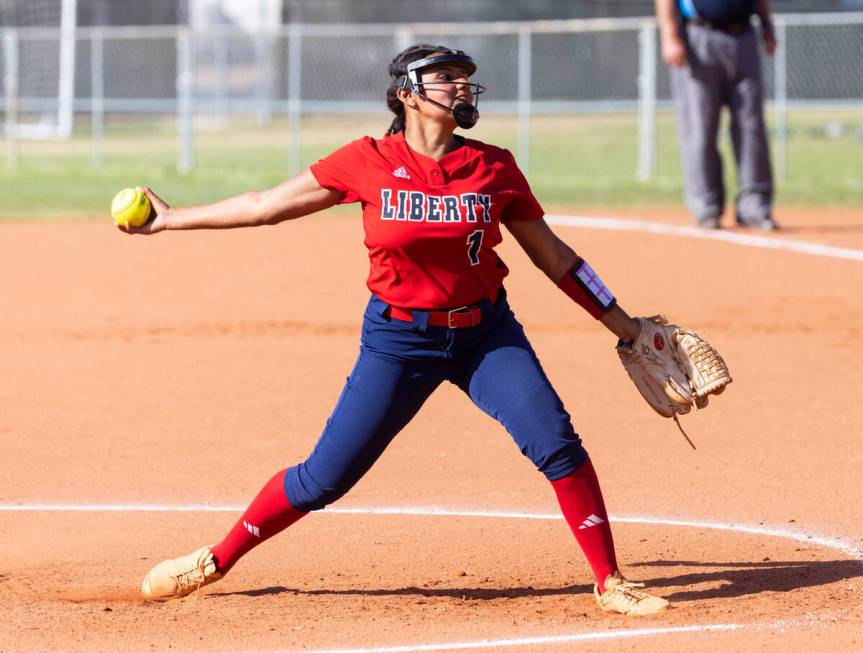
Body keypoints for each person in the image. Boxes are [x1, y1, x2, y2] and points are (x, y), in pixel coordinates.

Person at [121, 44, 669, 616]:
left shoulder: (493, 166)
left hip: (486, 334)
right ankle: (216, 559)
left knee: (557, 442)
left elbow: (557, 258)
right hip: (399, 341)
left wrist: (623, 324)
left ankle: (610, 581)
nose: (461, 86)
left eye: (465, 78)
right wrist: (173, 218)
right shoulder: (367, 160)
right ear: (407, 94)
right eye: (446, 77)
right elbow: (266, 205)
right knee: (322, 481)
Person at [656, 0, 778, 230]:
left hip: (744, 36)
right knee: (700, 128)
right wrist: (670, 35)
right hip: (699, 36)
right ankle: (706, 207)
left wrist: (767, 25)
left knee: (752, 127)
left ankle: (755, 206)